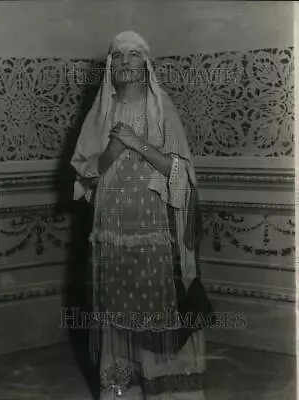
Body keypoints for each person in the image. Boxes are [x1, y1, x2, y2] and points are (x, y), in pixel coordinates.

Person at [71, 31, 206, 400]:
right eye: (119, 55)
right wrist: (113, 150)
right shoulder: (101, 112)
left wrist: (137, 143)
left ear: (146, 64)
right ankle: (122, 389)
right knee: (116, 305)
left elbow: (180, 173)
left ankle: (166, 389)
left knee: (154, 303)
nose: (126, 60)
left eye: (134, 54)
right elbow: (87, 174)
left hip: (155, 229)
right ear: (111, 65)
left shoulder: (162, 109)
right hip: (110, 227)